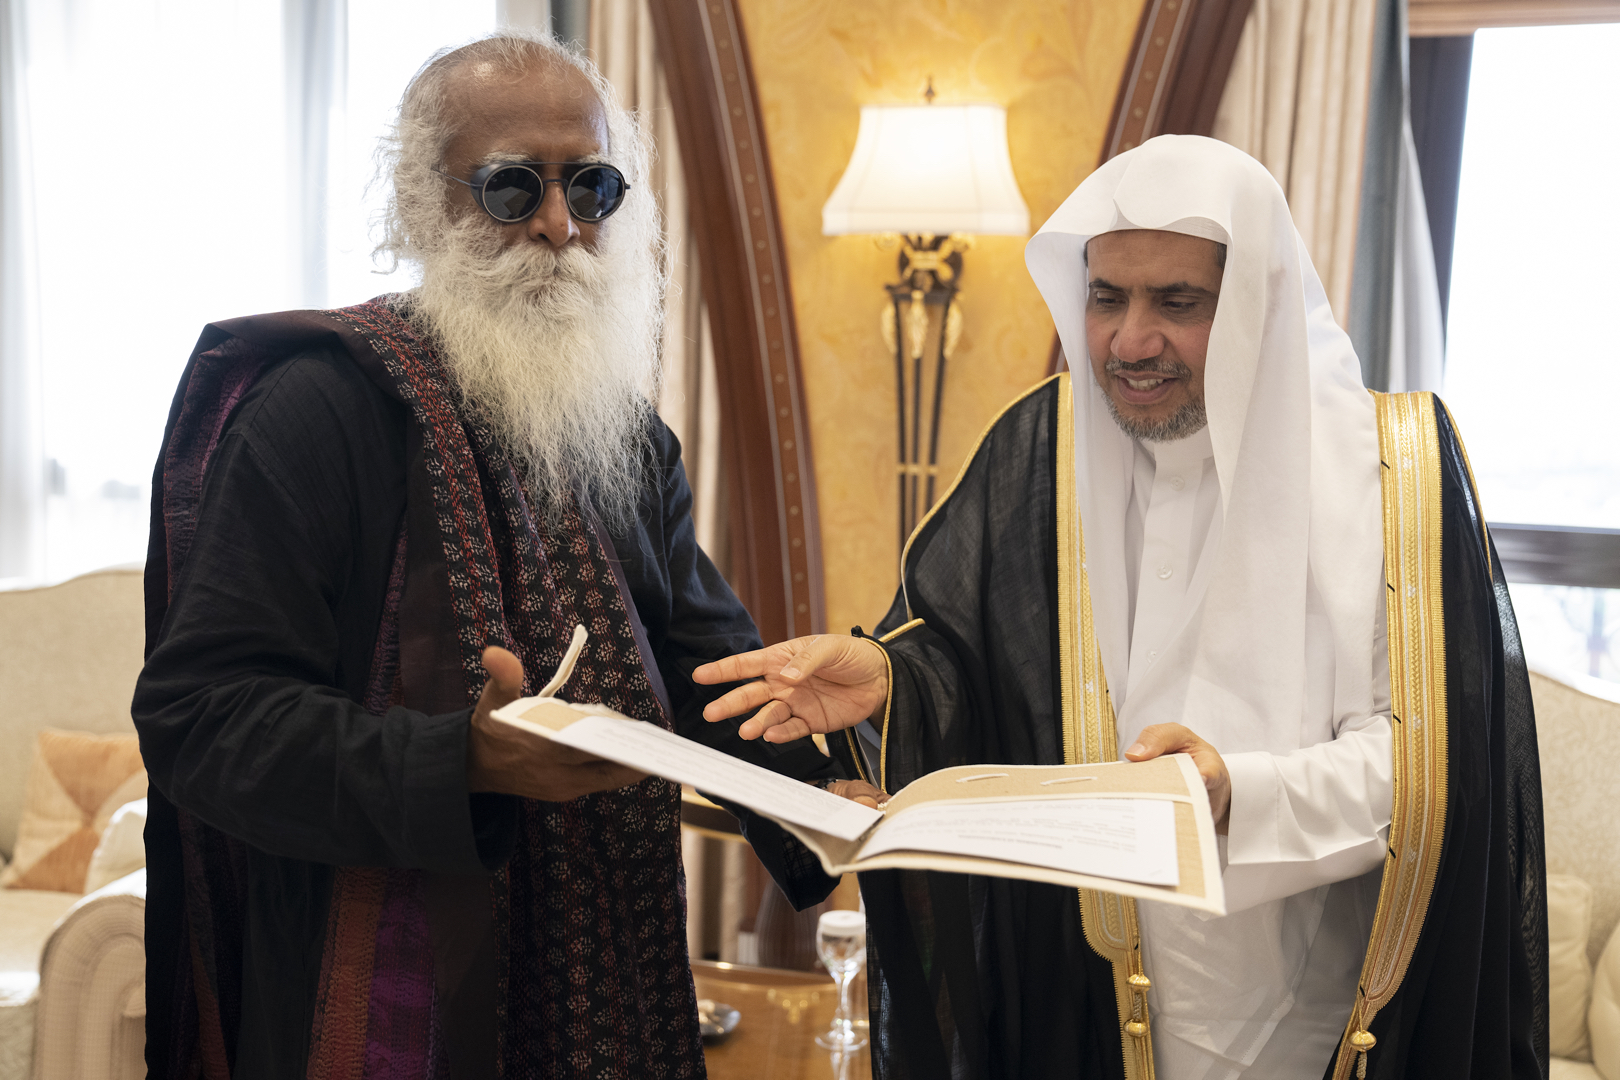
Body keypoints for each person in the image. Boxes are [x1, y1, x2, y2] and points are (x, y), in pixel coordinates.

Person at [697, 135, 1547, 1079]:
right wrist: (894, 683)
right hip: (1074, 1008)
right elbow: (984, 672)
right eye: (1107, 298)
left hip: (1310, 1024)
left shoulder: (1391, 473)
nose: (1131, 341)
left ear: (1256, 302)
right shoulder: (1042, 448)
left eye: (1177, 303)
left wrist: (1235, 791)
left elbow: (1435, 769)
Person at [133, 31, 854, 1080]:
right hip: (388, 985)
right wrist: (461, 761)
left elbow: (711, 672)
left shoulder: (626, 439)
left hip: (614, 972)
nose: (561, 225)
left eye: (592, 186)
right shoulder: (317, 411)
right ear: (425, 205)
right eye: (514, 188)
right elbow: (202, 718)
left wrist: (832, 800)